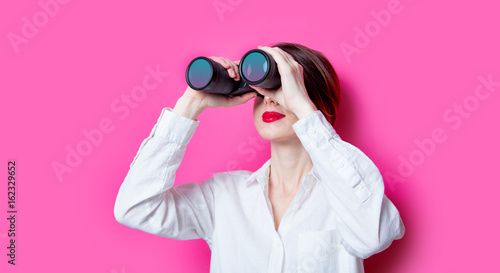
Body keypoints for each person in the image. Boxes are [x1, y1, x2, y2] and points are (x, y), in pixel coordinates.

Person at [114, 42, 405, 273]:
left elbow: (371, 237)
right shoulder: (224, 197)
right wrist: (191, 103)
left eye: (282, 87)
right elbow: (135, 208)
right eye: (262, 89)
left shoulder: (345, 197)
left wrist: (303, 107)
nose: (269, 98)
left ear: (317, 108)